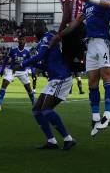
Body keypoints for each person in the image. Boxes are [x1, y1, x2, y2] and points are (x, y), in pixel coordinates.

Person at [56, 0, 110, 136]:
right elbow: (75, 23)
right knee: (92, 81)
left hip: (103, 42)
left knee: (106, 76)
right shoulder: (87, 5)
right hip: (90, 45)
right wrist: (59, 35)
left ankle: (108, 115)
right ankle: (95, 118)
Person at [15, 21, 76, 150]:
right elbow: (45, 65)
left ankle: (68, 139)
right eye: (34, 27)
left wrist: (22, 64)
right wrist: (32, 64)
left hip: (62, 77)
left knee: (46, 110)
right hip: (54, 78)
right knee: (37, 110)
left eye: (38, 26)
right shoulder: (43, 42)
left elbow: (41, 56)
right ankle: (51, 141)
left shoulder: (47, 37)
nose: (36, 29)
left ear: (44, 28)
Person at [58, 0, 88, 75]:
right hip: (83, 27)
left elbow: (68, 11)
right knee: (78, 61)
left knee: (66, 61)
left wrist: (60, 31)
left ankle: (63, 86)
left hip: (72, 28)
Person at [0, 36, 35, 111]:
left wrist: (33, 72)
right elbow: (6, 60)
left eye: (23, 40)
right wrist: (2, 70)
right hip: (12, 70)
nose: (21, 41)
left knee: (28, 88)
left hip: (23, 72)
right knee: (4, 82)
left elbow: (31, 62)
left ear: (25, 42)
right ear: (18, 41)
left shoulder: (27, 52)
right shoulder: (13, 50)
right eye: (20, 40)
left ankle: (34, 104)